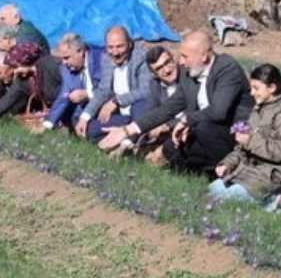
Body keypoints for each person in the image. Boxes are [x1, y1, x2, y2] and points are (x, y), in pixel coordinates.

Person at [104, 30, 252, 174]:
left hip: (234, 135)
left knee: (202, 129)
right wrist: (128, 130)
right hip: (203, 131)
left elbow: (218, 111)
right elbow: (168, 108)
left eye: (185, 56)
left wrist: (186, 120)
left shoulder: (226, 68)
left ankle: (229, 170)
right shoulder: (190, 75)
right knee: (171, 148)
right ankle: (203, 173)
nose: (180, 62)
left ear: (204, 57)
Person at [209, 63, 281, 213]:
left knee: (224, 203)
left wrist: (250, 141)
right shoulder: (257, 111)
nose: (251, 93)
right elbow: (241, 148)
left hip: (270, 176)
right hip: (246, 172)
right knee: (210, 193)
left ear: (271, 88)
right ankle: (266, 200)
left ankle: (277, 198)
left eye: (256, 88)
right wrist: (227, 164)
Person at [75, 25, 152, 142]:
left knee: (140, 105)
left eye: (120, 46)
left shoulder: (141, 57)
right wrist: (84, 117)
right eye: (110, 47)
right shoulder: (107, 59)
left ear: (130, 44)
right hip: (123, 116)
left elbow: (145, 90)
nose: (115, 53)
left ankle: (132, 139)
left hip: (139, 112)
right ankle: (122, 134)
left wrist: (116, 101)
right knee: (88, 128)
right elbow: (103, 91)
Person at [0, 42, 60, 124]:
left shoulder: (50, 66)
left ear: (26, 62)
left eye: (16, 67)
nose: (14, 71)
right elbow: (6, 101)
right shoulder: (22, 81)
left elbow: (67, 90)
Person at [43, 32, 104, 131]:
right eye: (62, 58)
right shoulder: (66, 68)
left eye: (67, 57)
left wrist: (87, 94)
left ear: (80, 51)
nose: (64, 62)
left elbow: (110, 89)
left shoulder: (101, 60)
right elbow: (63, 96)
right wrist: (47, 124)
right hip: (84, 111)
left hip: (106, 106)